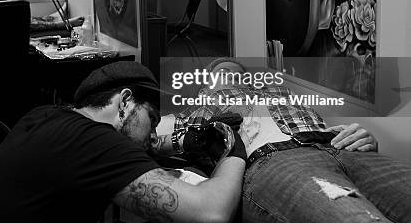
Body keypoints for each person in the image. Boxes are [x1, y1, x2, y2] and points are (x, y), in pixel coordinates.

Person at [0, 61, 248, 223]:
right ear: (124, 102)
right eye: (152, 119)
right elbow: (211, 213)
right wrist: (235, 148)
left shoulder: (48, 115)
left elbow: (142, 142)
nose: (153, 135)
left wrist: (178, 142)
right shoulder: (94, 145)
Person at [153, 59, 411, 223]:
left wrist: (364, 138)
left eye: (238, 74)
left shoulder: (281, 92)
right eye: (222, 73)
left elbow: (318, 122)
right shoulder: (199, 108)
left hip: (339, 144)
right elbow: (147, 136)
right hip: (277, 160)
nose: (233, 77)